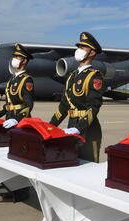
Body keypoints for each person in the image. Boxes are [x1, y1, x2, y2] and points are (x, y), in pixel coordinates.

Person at [49, 32, 104, 163]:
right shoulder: (72, 76)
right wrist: (49, 126)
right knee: (72, 162)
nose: (78, 50)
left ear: (91, 53)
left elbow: (94, 107)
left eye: (83, 48)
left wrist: (79, 128)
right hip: (71, 126)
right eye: (78, 47)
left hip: (88, 130)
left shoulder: (94, 76)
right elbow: (63, 107)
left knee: (88, 168)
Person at [0, 43, 34, 128]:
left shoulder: (26, 80)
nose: (14, 59)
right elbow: (9, 105)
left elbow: (28, 106)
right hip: (9, 118)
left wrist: (16, 120)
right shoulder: (12, 79)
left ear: (24, 60)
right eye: (14, 57)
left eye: (17, 57)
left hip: (20, 122)